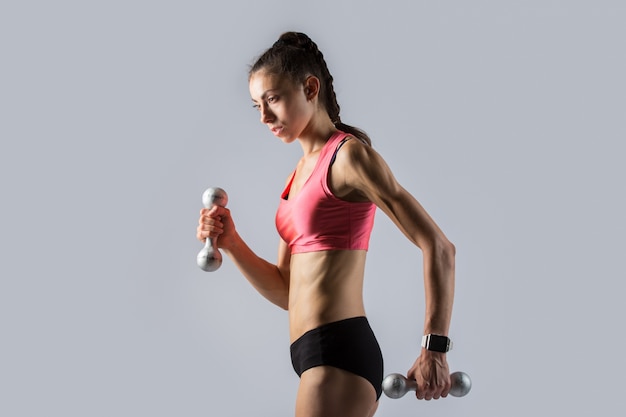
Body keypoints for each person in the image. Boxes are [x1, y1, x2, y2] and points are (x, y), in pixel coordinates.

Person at [197, 31, 456, 417]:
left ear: (310, 88)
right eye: (257, 106)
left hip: (339, 349)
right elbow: (287, 292)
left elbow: (438, 246)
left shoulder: (349, 158)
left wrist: (434, 347)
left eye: (273, 99)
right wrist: (232, 242)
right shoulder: (294, 179)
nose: (265, 116)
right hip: (311, 353)